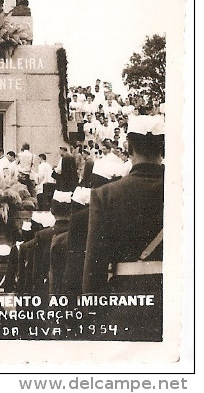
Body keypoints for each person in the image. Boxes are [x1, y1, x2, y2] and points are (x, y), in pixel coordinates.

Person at [82, 116, 164, 340]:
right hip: (177, 303)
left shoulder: (106, 194)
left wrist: (92, 313)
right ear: (163, 148)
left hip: (125, 304)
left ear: (129, 147)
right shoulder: (187, 190)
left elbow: (95, 263)